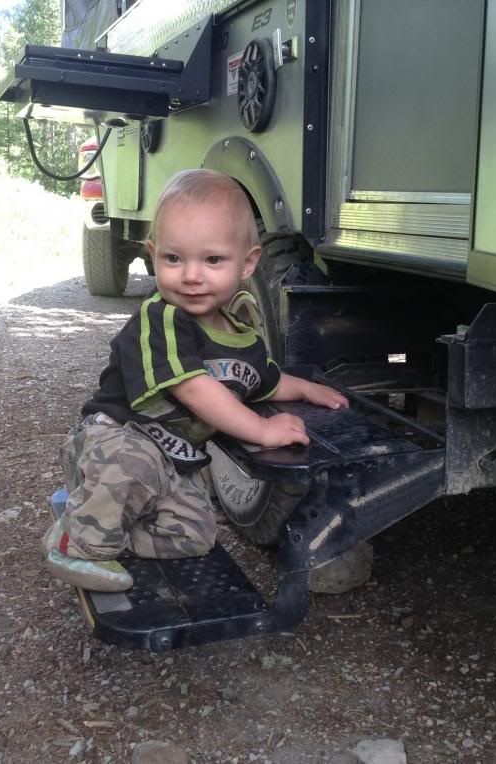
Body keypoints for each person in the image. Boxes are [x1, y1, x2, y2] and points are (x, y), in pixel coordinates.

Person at [43, 169, 348, 591]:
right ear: (153, 255)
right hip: (112, 442)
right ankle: (77, 543)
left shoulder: (240, 336)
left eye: (213, 260)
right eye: (174, 259)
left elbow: (266, 382)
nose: (191, 275)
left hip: (171, 461)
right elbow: (193, 388)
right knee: (137, 461)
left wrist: (308, 389)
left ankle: (98, 518)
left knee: (195, 535)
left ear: (249, 264)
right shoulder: (162, 319)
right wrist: (261, 429)